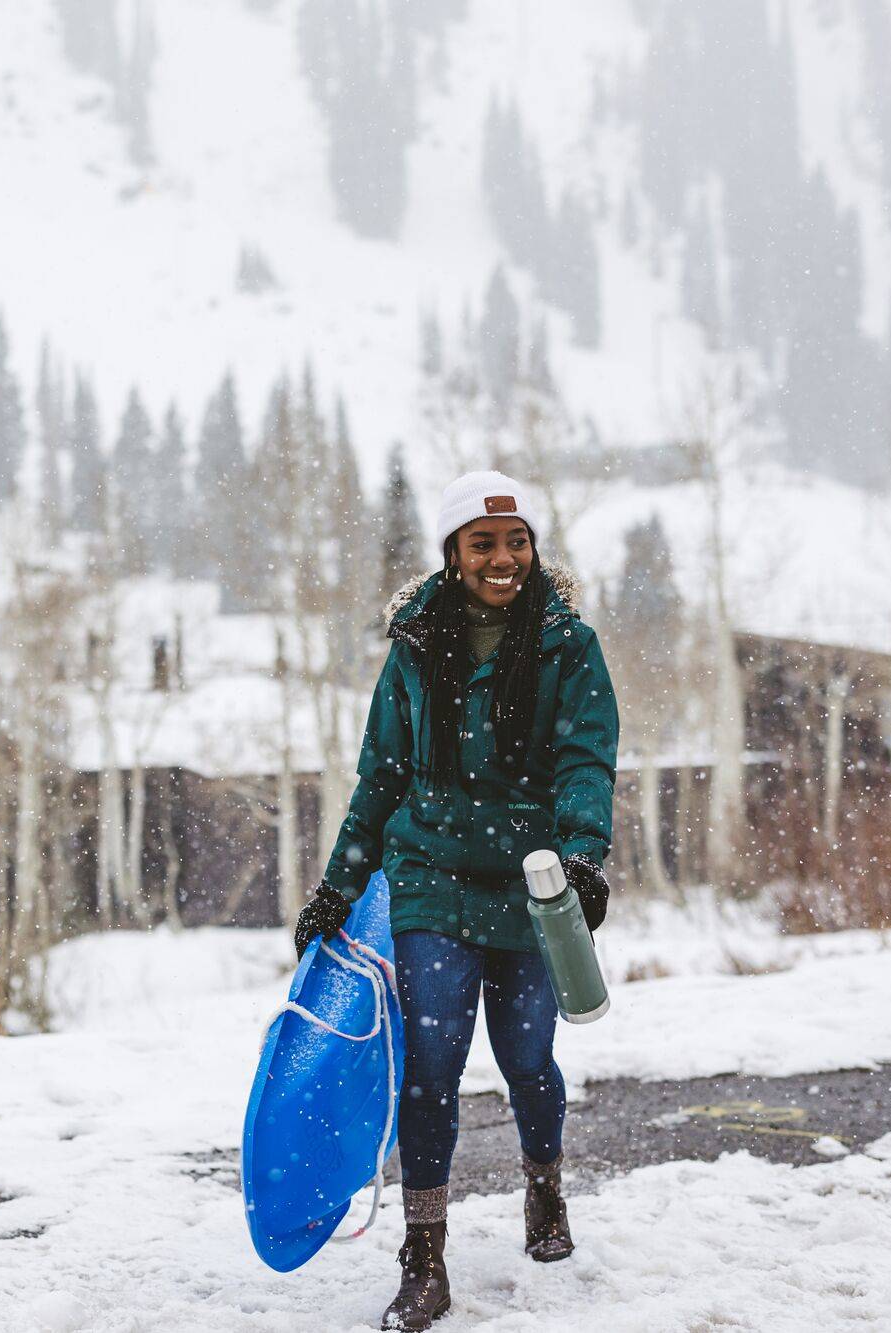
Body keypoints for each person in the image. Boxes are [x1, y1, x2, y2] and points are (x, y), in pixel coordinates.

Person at [292, 470, 618, 1331]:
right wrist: (340, 885)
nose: (503, 558)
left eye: (516, 542)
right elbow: (382, 775)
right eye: (483, 543)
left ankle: (543, 1185)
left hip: (531, 882)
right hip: (430, 876)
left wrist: (582, 856)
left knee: (527, 1059)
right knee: (429, 1068)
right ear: (452, 552)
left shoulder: (567, 645)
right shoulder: (415, 643)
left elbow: (587, 759)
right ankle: (424, 1255)